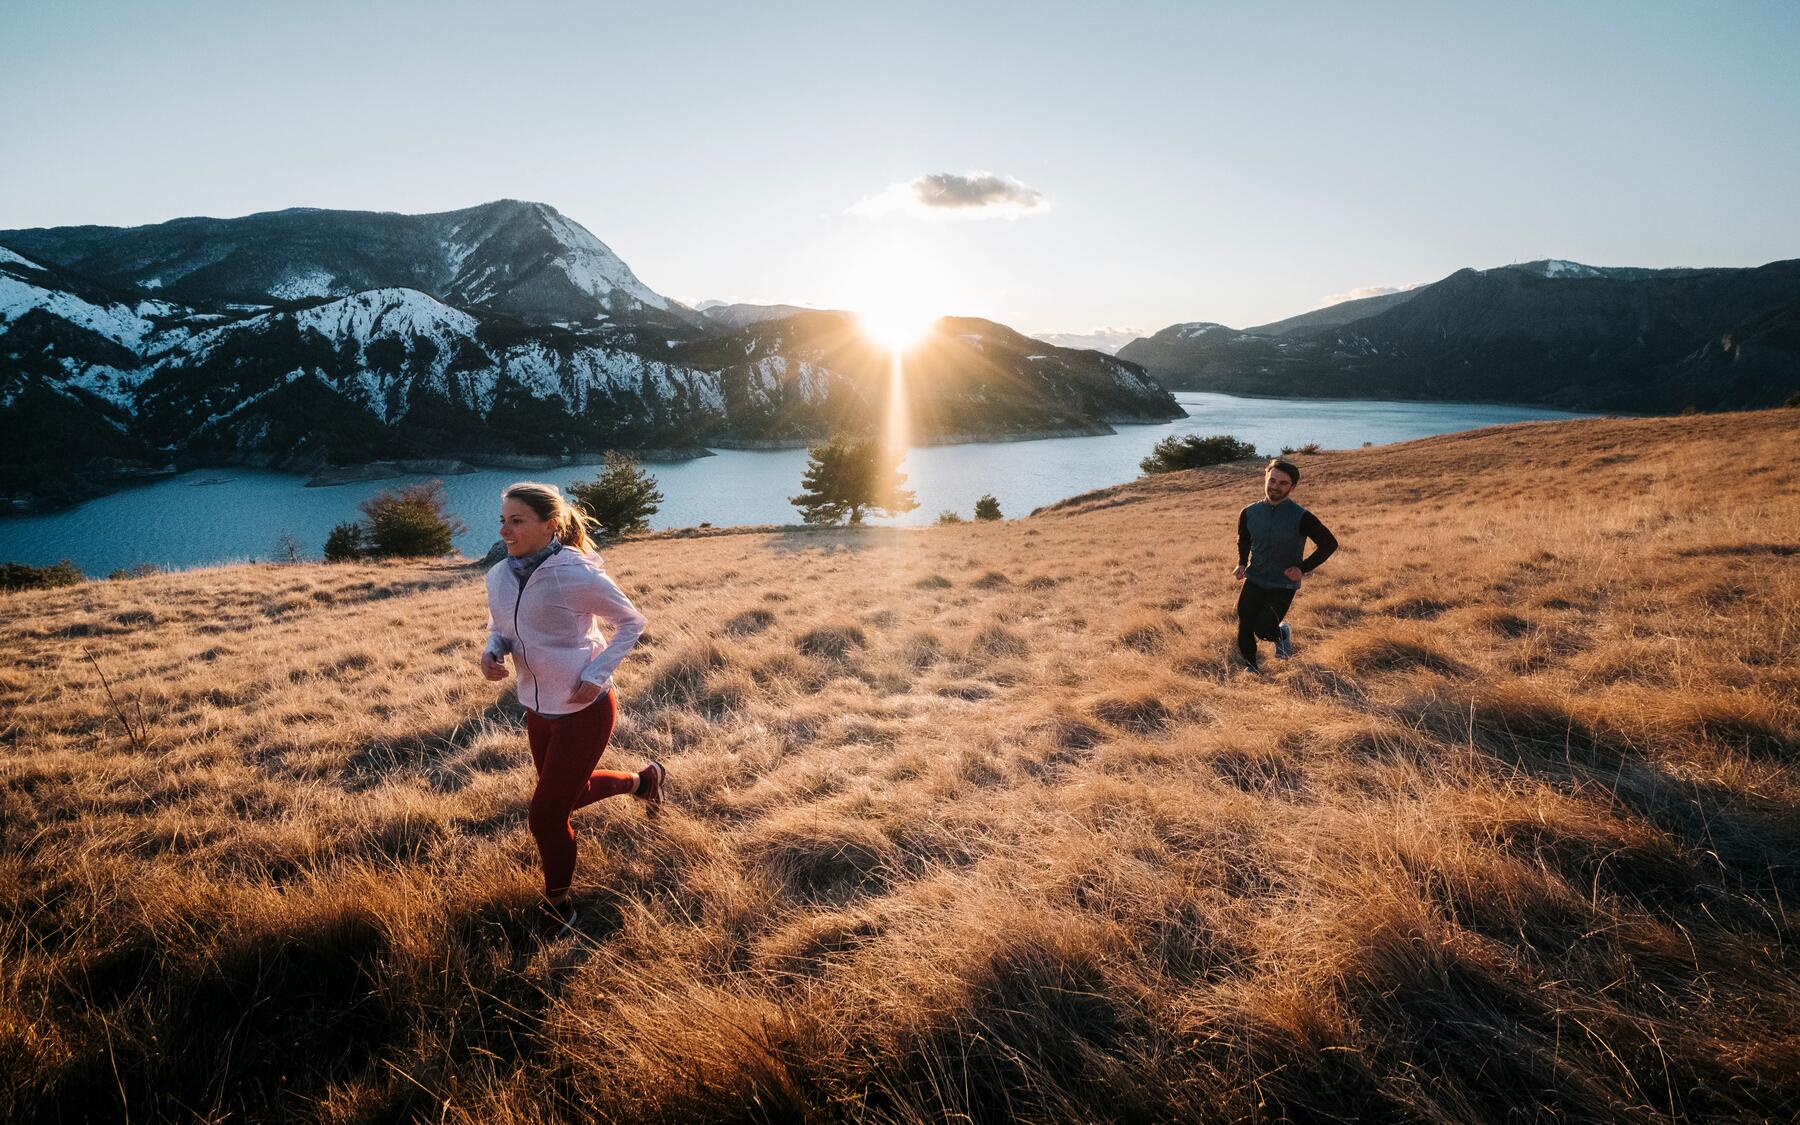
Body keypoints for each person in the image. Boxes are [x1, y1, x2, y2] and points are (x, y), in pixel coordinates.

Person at [480, 481, 661, 932]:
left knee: (545, 815)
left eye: (517, 520)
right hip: (537, 710)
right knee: (569, 796)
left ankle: (561, 907)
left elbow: (631, 622)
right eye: (503, 520)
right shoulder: (499, 575)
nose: (505, 530)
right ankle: (645, 781)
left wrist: (596, 676)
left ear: (550, 525)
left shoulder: (574, 573)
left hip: (585, 709)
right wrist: (491, 650)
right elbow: (499, 623)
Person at [1233, 459, 1337, 671]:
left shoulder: (1301, 517)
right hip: (1255, 577)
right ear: (1265, 479)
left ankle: (1282, 634)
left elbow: (1329, 544)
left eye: (1283, 483)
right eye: (1272, 480)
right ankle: (1251, 668)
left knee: (1263, 628)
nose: (1275, 486)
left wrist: (1302, 568)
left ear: (1292, 487)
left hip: (1283, 583)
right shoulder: (1249, 512)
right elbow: (1243, 538)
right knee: (1245, 622)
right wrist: (1242, 563)